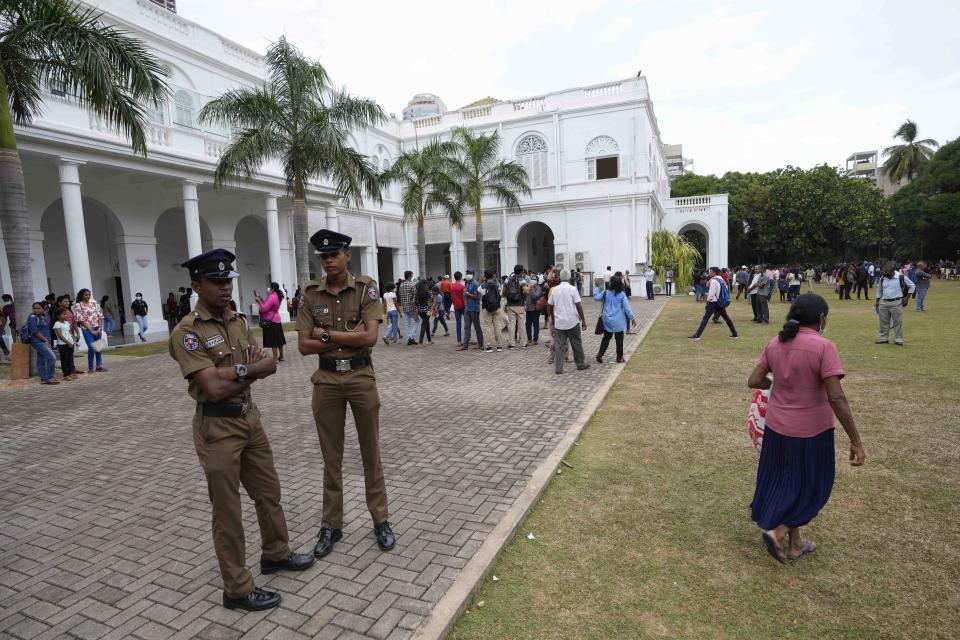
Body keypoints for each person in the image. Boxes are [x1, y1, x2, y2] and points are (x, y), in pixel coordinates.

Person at [169, 249, 314, 611]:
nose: (224, 288)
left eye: (227, 281)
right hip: (217, 427)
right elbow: (214, 388)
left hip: (250, 419)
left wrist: (234, 371)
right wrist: (248, 371)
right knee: (228, 510)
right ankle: (236, 588)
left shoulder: (236, 321)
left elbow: (268, 362)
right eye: (216, 282)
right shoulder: (188, 332)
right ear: (197, 285)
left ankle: (276, 553)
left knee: (269, 491)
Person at [296, 230, 395, 557]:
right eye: (323, 257)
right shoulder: (310, 294)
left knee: (371, 452)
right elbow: (303, 345)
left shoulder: (366, 289)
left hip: (360, 377)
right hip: (326, 380)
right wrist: (341, 338)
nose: (328, 261)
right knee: (331, 457)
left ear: (347, 255)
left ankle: (380, 519)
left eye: (334, 255)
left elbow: (370, 338)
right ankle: (331, 524)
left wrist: (325, 335)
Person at [747, 293, 865, 563]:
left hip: (777, 429)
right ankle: (777, 533)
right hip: (811, 432)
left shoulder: (775, 343)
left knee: (787, 482)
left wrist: (775, 386)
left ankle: (796, 544)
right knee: (813, 485)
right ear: (822, 319)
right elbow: (836, 397)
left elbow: (754, 380)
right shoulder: (824, 347)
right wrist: (856, 440)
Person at [548, 268, 589, 374]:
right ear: (569, 278)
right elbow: (578, 305)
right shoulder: (573, 289)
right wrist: (583, 320)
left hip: (559, 323)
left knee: (559, 345)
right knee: (576, 343)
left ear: (560, 277)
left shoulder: (555, 289)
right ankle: (580, 364)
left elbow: (549, 305)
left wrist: (553, 318)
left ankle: (558, 368)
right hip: (572, 321)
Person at [593, 274, 635, 363]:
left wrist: (597, 288)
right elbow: (627, 308)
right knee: (619, 340)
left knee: (606, 338)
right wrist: (632, 318)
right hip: (618, 321)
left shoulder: (606, 293)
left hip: (607, 320)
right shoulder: (622, 295)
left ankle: (600, 354)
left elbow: (596, 298)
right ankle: (619, 358)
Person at [687, 267, 738, 340]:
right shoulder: (721, 280)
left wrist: (707, 302)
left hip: (713, 302)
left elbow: (711, 294)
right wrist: (711, 279)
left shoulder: (714, 281)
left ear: (714, 272)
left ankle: (697, 335)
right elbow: (708, 285)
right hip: (719, 301)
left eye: (710, 271)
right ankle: (734, 334)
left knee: (705, 318)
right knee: (726, 318)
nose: (709, 273)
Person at [874, 261, 915, 346]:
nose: (884, 273)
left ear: (893, 271)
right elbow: (879, 291)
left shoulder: (901, 277)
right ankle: (884, 339)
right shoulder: (882, 278)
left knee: (898, 323)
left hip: (896, 302)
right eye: (884, 271)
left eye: (886, 271)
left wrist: (907, 298)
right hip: (884, 303)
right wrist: (877, 302)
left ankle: (898, 339)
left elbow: (912, 286)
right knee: (883, 322)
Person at [73, 288, 107, 373]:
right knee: (91, 347)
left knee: (98, 347)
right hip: (87, 329)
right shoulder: (78, 305)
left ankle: (99, 366)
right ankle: (90, 367)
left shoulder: (94, 304)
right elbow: (80, 319)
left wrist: (99, 328)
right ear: (82, 295)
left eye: (89, 294)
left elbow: (100, 316)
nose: (88, 296)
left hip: (97, 327)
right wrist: (91, 330)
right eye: (86, 295)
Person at [26, 302, 58, 385]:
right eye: (34, 308)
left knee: (41, 359)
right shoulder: (32, 318)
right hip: (38, 341)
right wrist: (45, 340)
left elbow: (46, 330)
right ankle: (50, 377)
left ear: (43, 309)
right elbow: (35, 331)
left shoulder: (42, 317)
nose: (36, 310)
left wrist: (48, 340)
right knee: (52, 357)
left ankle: (43, 378)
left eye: (38, 308)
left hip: (44, 341)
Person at [255, 283, 286, 362]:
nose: (268, 289)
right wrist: (261, 298)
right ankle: (281, 356)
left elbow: (265, 308)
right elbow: (267, 304)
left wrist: (259, 302)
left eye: (270, 287)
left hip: (270, 320)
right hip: (277, 319)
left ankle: (275, 358)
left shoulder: (272, 296)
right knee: (279, 339)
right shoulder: (278, 296)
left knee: (273, 340)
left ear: (272, 289)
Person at [503, 264, 528, 349]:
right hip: (520, 305)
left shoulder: (507, 279)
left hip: (510, 304)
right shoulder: (522, 280)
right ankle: (523, 343)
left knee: (511, 325)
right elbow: (526, 291)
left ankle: (511, 344)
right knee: (522, 324)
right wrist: (530, 287)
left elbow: (503, 292)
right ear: (521, 271)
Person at [479, 271, 505, 352]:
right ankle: (499, 346)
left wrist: (483, 281)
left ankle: (488, 347)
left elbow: (480, 291)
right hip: (497, 307)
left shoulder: (483, 285)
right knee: (497, 326)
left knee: (488, 327)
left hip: (486, 308)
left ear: (485, 277)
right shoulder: (496, 284)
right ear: (492, 276)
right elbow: (500, 293)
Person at [461, 269, 484, 351]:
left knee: (477, 327)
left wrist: (467, 294)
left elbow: (476, 297)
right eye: (467, 273)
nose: (468, 275)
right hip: (467, 308)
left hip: (474, 308)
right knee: (466, 327)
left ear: (473, 274)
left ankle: (481, 344)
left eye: (469, 273)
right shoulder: (467, 284)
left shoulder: (475, 284)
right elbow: (464, 295)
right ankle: (465, 345)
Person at [52, 306, 77, 380]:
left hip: (70, 342)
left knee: (70, 358)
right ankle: (66, 375)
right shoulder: (57, 324)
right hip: (63, 344)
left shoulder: (66, 323)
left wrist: (73, 339)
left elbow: (69, 332)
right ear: (58, 316)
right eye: (64, 314)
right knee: (64, 360)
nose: (66, 315)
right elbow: (60, 335)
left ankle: (70, 373)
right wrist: (68, 342)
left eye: (66, 314)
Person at [398, 271, 418, 346]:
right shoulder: (412, 284)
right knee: (417, 320)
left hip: (404, 306)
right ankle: (412, 337)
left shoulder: (401, 285)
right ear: (409, 276)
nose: (412, 277)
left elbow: (400, 295)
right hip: (411, 307)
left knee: (407, 323)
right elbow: (415, 295)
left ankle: (408, 338)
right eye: (412, 275)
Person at [414, 280, 433, 345]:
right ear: (425, 284)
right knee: (424, 325)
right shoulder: (427, 291)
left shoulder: (417, 292)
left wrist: (419, 306)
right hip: (427, 310)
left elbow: (415, 302)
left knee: (427, 323)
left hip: (420, 310)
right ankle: (420, 341)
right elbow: (432, 299)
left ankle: (429, 340)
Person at [525, 277, 543, 345]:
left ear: (535, 283)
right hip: (528, 309)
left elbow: (535, 296)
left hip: (535, 309)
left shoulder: (538, 288)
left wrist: (531, 289)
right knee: (527, 325)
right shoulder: (528, 288)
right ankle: (529, 339)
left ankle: (535, 340)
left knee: (535, 325)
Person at [451, 271, 466, 347]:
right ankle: (467, 338)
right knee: (467, 322)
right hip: (463, 306)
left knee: (458, 324)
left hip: (456, 306)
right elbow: (464, 297)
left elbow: (452, 297)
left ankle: (459, 341)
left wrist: (454, 303)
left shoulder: (452, 286)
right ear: (460, 277)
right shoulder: (462, 286)